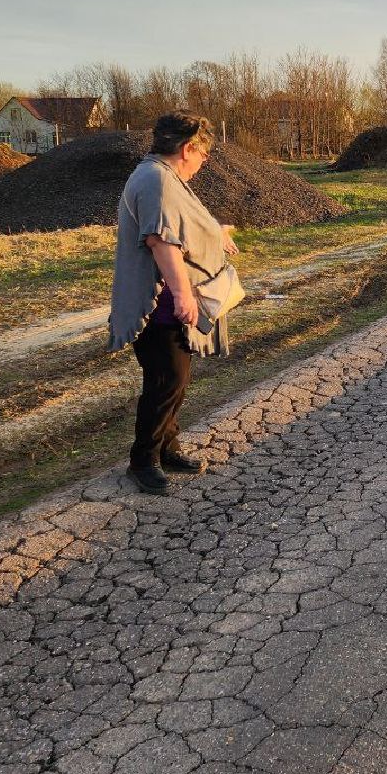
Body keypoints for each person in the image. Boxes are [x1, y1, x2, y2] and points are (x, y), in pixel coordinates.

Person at [108, 111, 238, 494]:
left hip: (168, 304)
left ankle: (167, 448)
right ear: (186, 148)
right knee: (167, 380)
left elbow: (181, 226)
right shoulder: (156, 181)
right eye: (203, 153)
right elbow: (161, 241)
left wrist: (216, 233)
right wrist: (183, 295)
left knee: (174, 380)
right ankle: (142, 460)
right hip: (160, 306)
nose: (205, 160)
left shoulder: (164, 178)